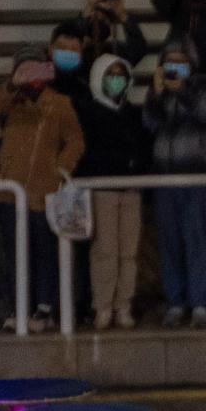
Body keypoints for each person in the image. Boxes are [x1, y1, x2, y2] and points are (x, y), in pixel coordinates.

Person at [0, 53, 83, 332]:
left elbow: (75, 140)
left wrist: (60, 169)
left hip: (44, 193)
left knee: (44, 251)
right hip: (10, 191)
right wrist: (13, 83)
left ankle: (44, 307)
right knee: (15, 252)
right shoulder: (12, 101)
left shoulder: (59, 103)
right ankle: (20, 305)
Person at [144, 40, 206, 328]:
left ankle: (201, 302)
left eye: (180, 61)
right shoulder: (161, 89)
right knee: (170, 243)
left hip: (197, 175)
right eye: (169, 61)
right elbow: (150, 124)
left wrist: (183, 91)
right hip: (165, 177)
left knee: (198, 239)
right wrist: (155, 94)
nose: (174, 67)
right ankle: (176, 301)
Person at [73, 53, 148, 329]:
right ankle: (103, 305)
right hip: (102, 189)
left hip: (131, 190)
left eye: (121, 75)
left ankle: (123, 305)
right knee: (105, 251)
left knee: (128, 252)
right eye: (111, 75)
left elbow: (141, 148)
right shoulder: (88, 111)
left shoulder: (132, 113)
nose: (116, 80)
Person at [80, 0, 151, 68]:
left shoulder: (117, 53)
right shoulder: (80, 53)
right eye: (97, 15)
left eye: (105, 16)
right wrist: (87, 11)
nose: (101, 18)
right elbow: (70, 40)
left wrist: (122, 14)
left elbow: (139, 50)